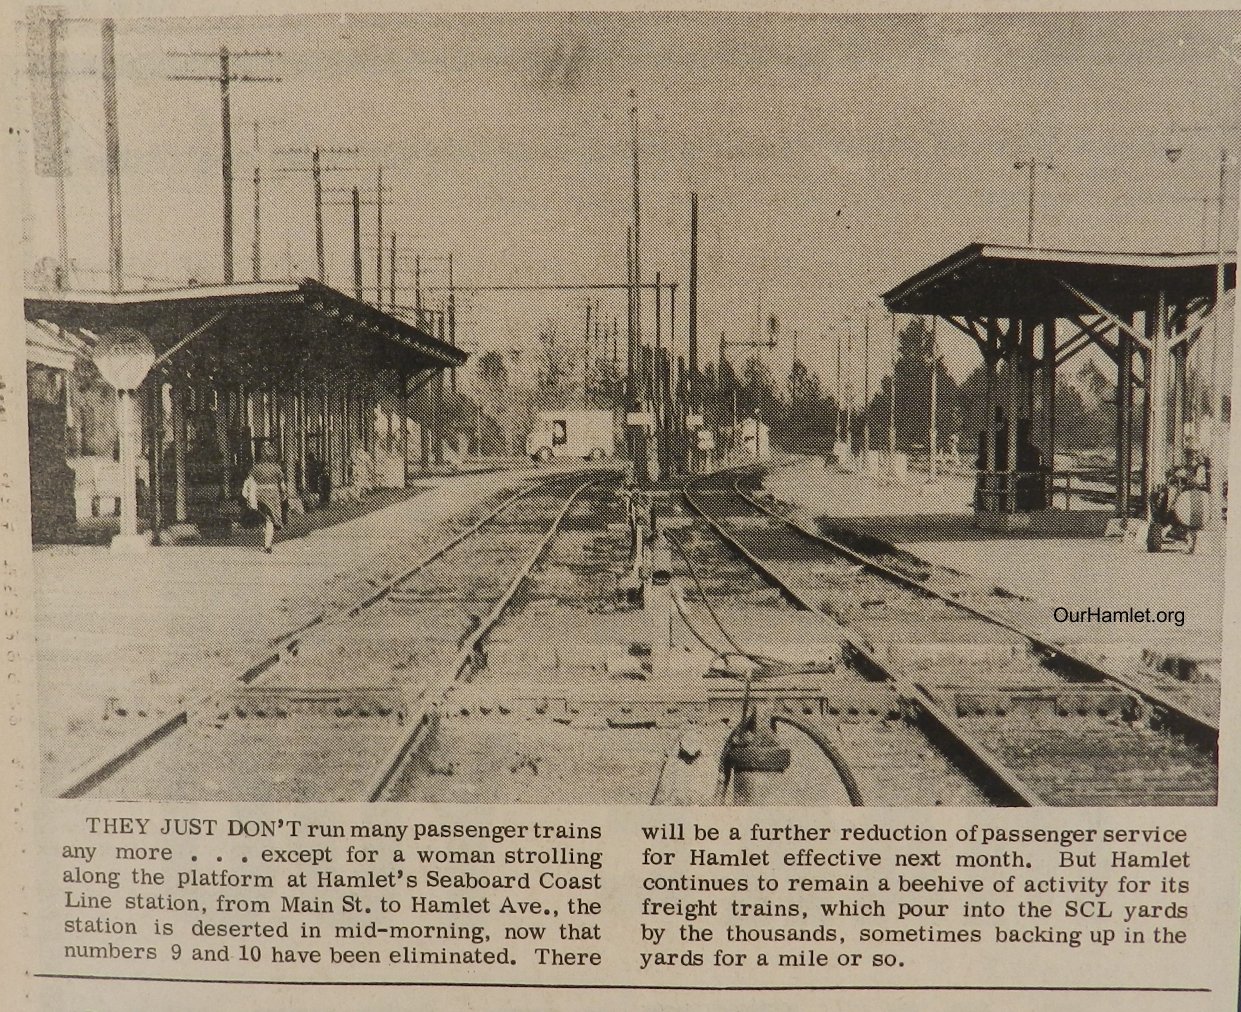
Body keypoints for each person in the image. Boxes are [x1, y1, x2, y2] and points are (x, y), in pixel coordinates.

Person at [246, 443, 287, 553]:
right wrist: (283, 494)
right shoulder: (277, 468)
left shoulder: (256, 468)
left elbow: (250, 481)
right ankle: (267, 544)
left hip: (259, 494)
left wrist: (249, 495)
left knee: (265, 518)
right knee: (270, 519)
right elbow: (282, 485)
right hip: (273, 494)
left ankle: (266, 539)